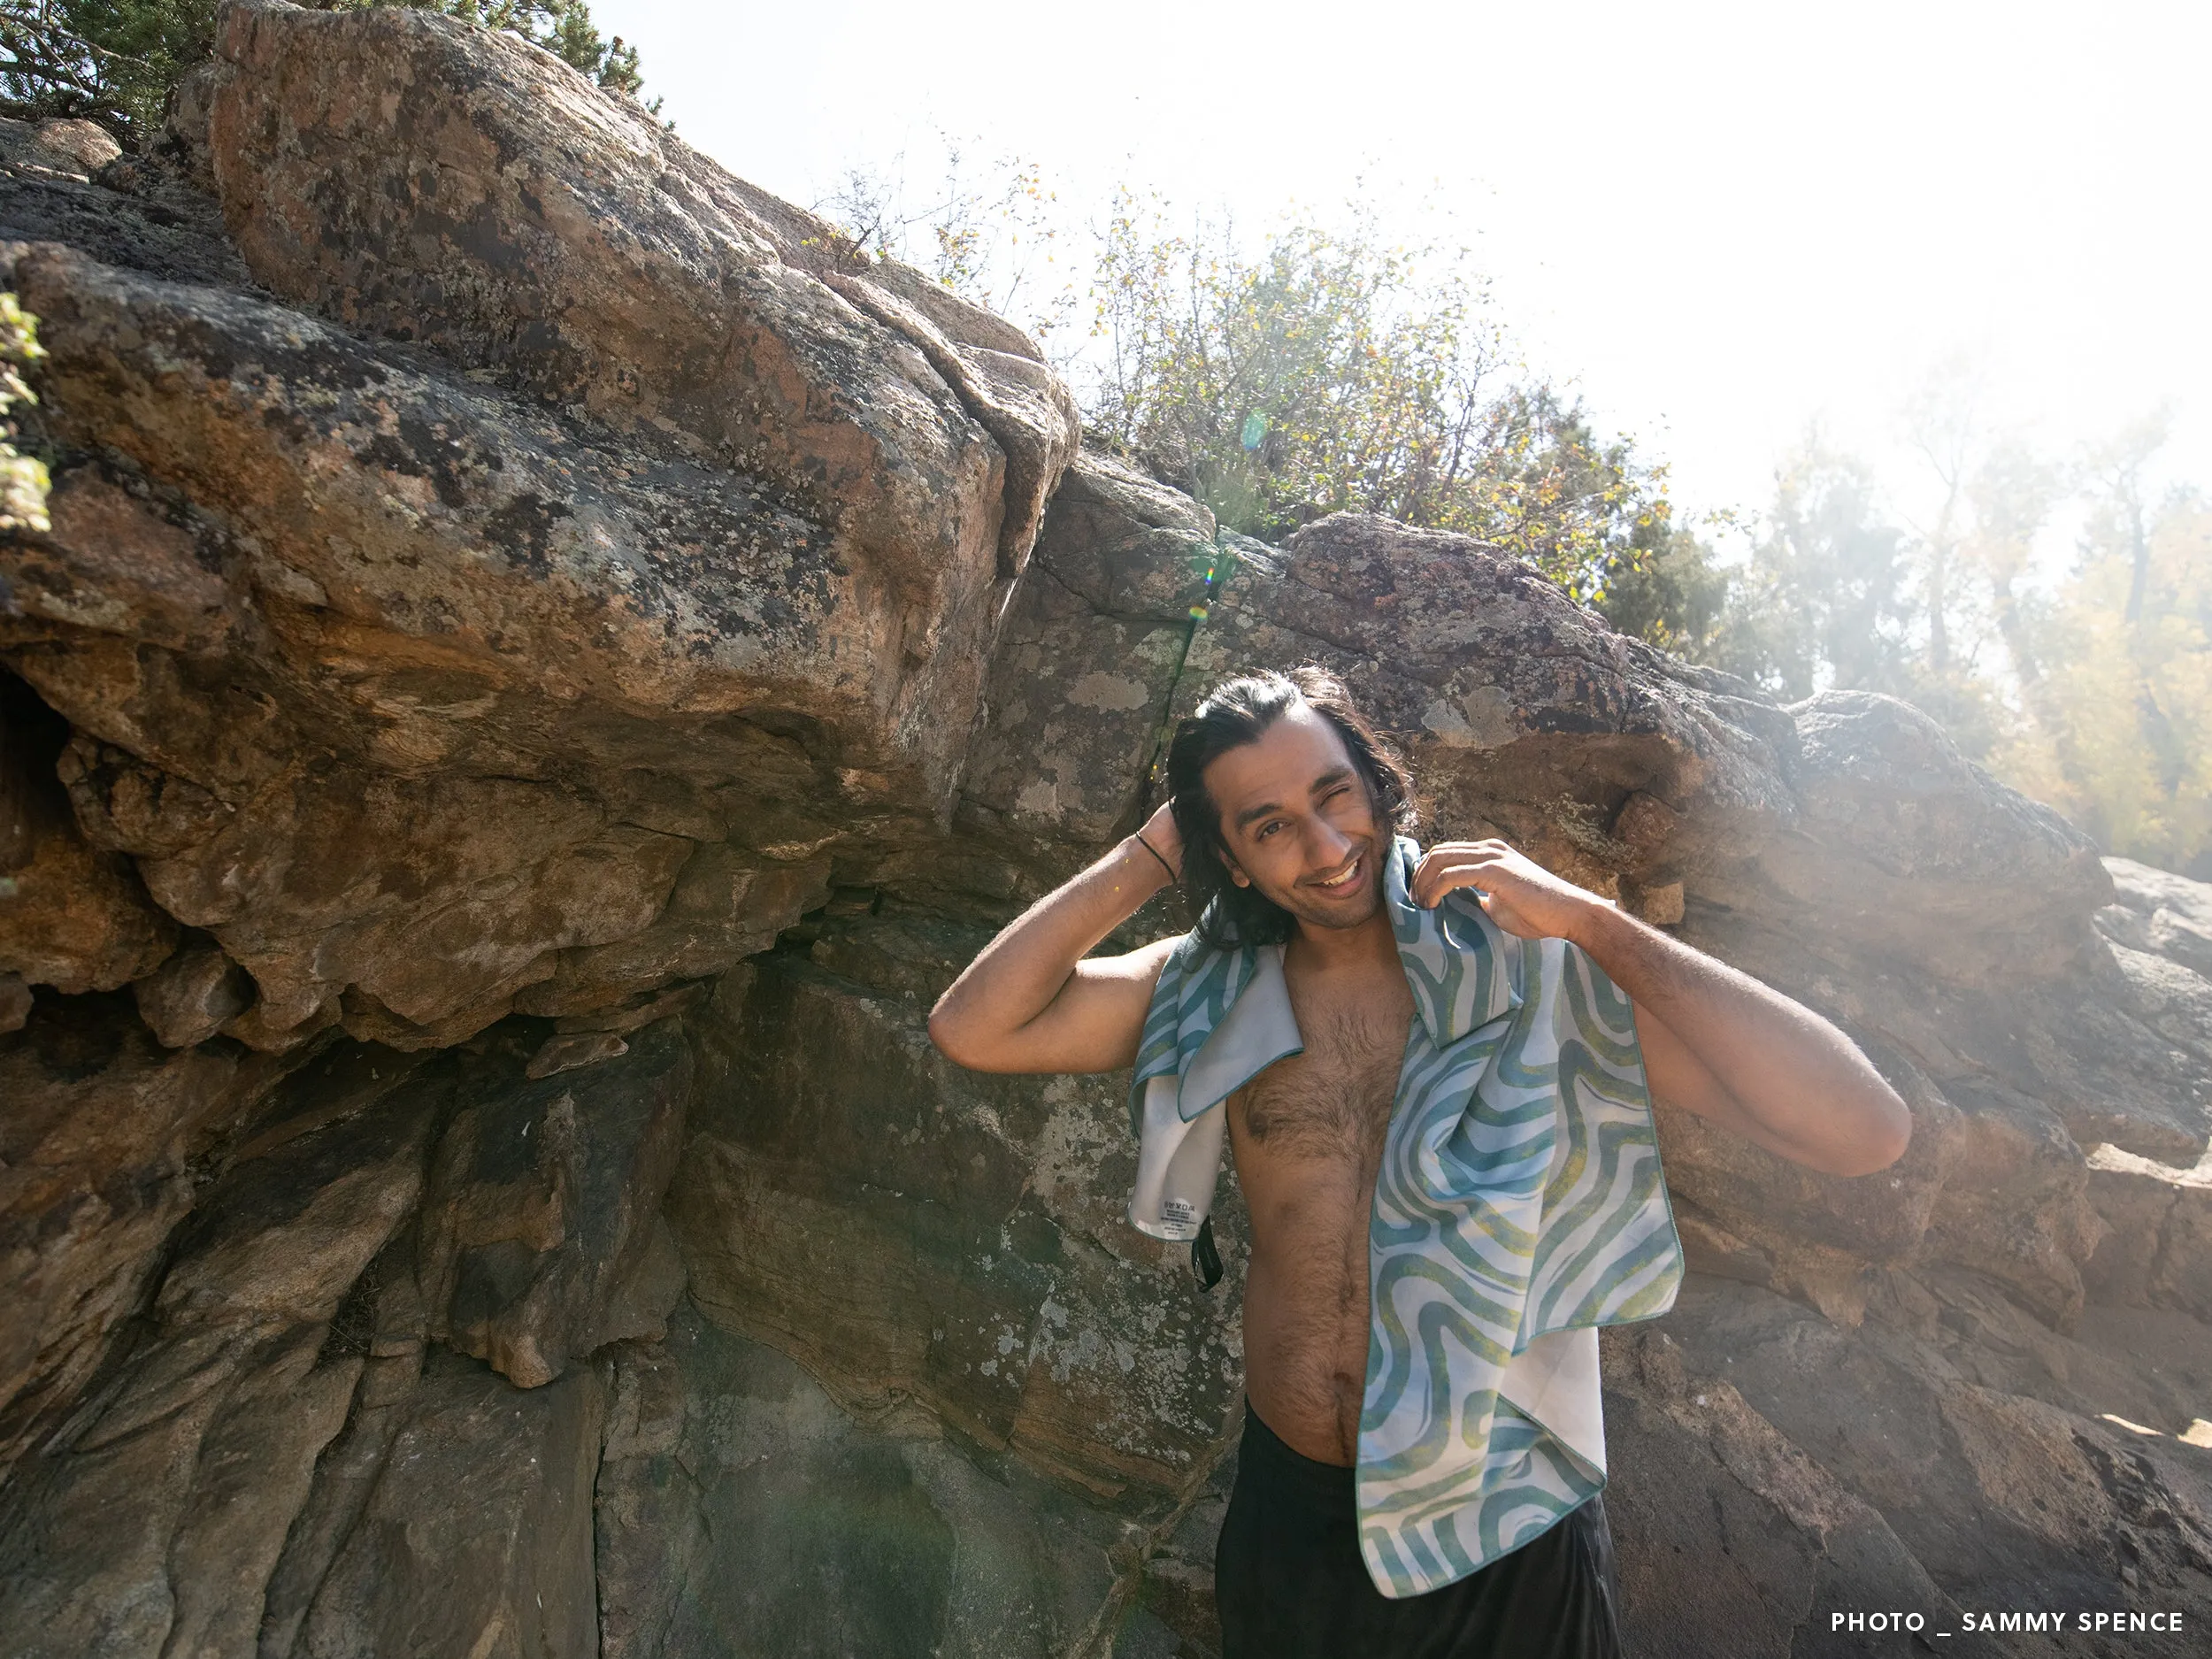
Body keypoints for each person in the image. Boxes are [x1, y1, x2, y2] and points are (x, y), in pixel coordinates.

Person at [927, 666, 1910, 1658]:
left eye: (1332, 794)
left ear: (1376, 783)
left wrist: (1588, 919)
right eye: (1266, 826)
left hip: (1500, 1520)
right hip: (1292, 1517)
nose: (1323, 848)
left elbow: (1860, 1130)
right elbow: (974, 1028)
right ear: (1226, 857)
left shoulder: (1535, 972)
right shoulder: (1207, 990)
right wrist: (1152, 853)